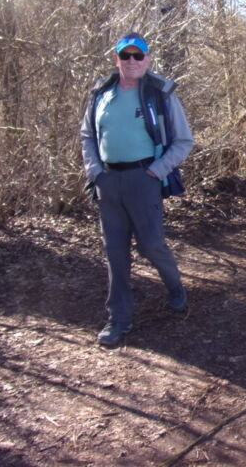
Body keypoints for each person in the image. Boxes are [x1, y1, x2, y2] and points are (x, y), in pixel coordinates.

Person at [81, 32, 194, 346]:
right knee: (115, 253)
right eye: (125, 56)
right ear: (116, 59)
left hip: (144, 179)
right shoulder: (101, 93)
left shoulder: (161, 94)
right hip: (107, 181)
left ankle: (175, 288)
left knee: (152, 245)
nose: (132, 62)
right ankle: (118, 319)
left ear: (148, 60)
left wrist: (156, 172)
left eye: (138, 56)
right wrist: (95, 172)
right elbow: (87, 136)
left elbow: (184, 141)